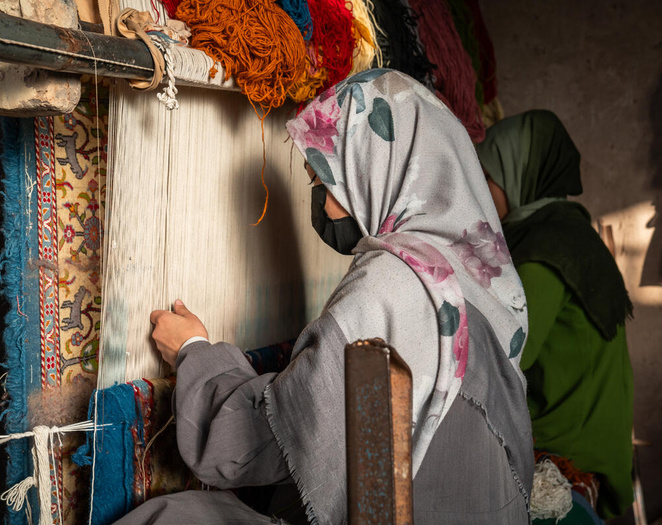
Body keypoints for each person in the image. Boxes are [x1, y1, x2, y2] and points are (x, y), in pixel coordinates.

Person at [116, 69, 533, 524]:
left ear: (375, 169)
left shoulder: (387, 288)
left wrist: (193, 351)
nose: (323, 205)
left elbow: (254, 446)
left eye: (325, 184)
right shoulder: (487, 279)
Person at [476, 110, 635, 523]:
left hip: (571, 446)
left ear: (518, 176)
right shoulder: (569, 233)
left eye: (487, 177)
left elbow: (506, 358)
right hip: (600, 438)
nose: (478, 189)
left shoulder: (545, 253)